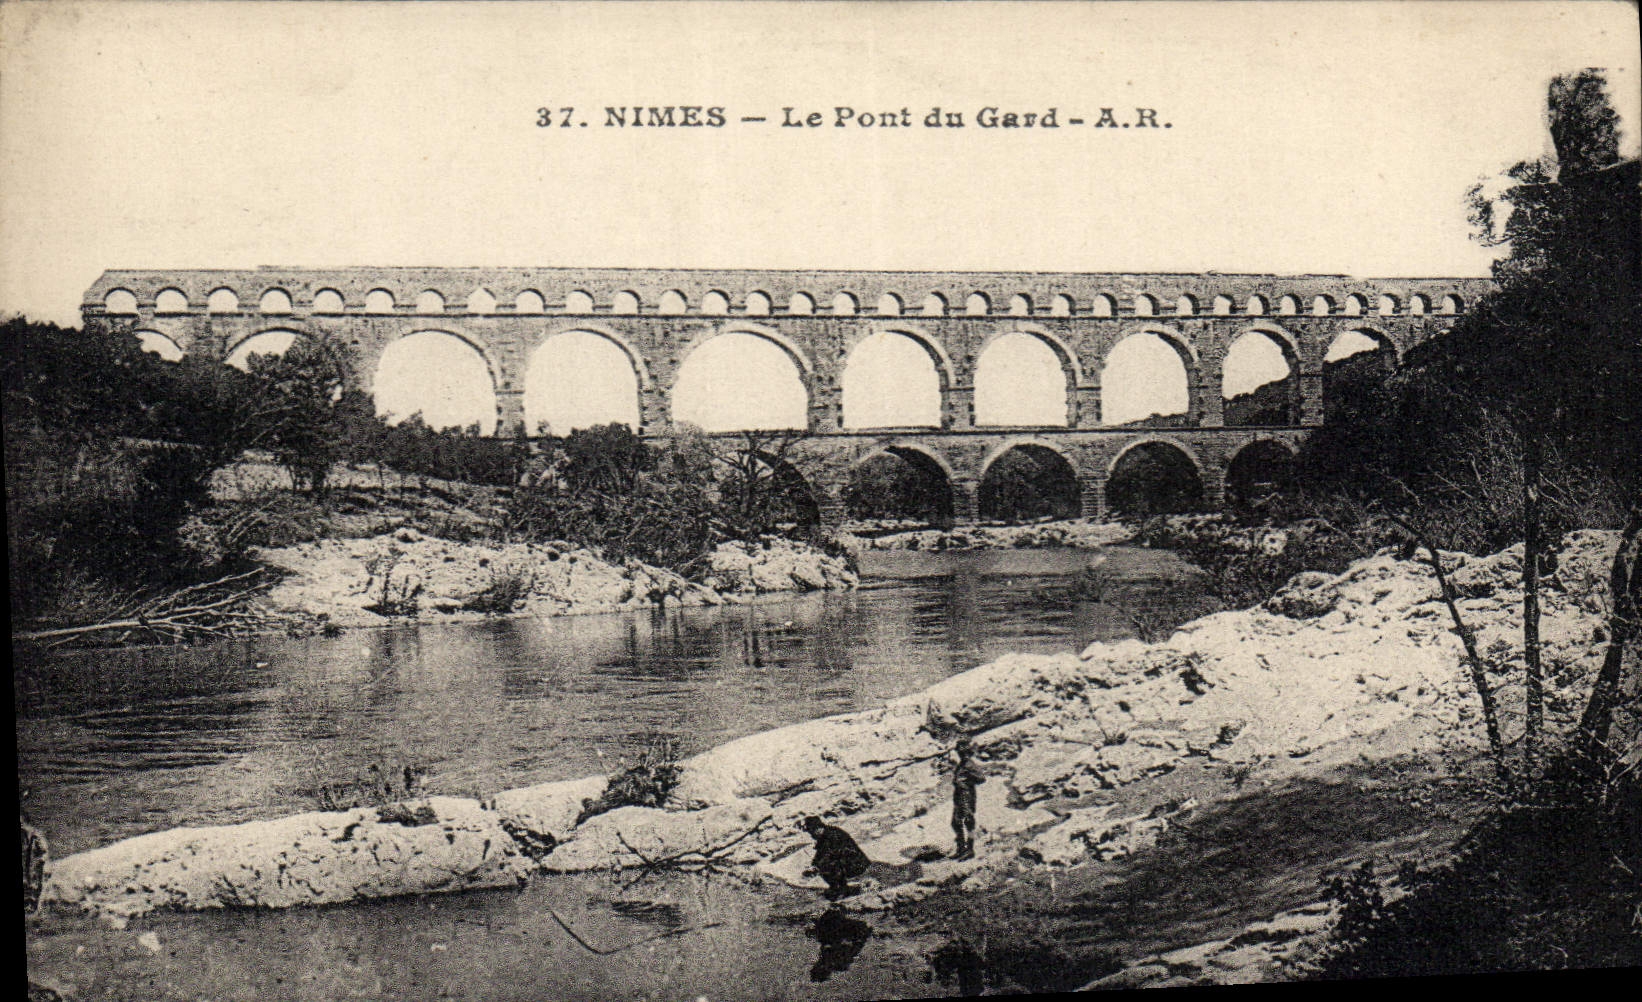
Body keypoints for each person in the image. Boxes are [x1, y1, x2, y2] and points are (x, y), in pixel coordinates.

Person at [803, 815, 871, 900]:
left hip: (856, 864)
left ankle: (841, 890)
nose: (811, 835)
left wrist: (817, 866)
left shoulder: (833, 834)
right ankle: (838, 888)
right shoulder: (825, 836)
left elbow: (831, 853)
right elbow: (820, 854)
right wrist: (813, 866)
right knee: (824, 864)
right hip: (848, 862)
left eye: (811, 832)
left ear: (817, 828)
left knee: (827, 865)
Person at [951, 737, 985, 860]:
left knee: (968, 821)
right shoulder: (961, 764)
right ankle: (961, 848)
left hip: (967, 795)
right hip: (959, 796)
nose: (960, 753)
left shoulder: (970, 765)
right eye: (959, 751)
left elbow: (981, 778)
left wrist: (968, 782)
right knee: (955, 823)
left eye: (962, 751)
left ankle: (970, 849)